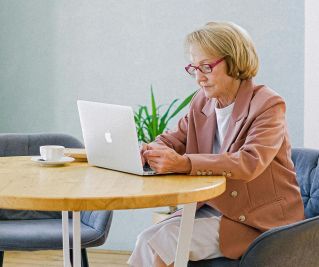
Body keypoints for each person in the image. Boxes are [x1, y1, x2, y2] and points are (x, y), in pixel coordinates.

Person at [127, 21, 304, 267]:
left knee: (166, 240)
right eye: (194, 68)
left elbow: (249, 162)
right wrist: (150, 149)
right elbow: (176, 138)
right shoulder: (202, 102)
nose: (199, 78)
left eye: (206, 67)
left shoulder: (268, 104)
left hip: (257, 219)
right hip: (216, 208)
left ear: (234, 61)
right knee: (147, 239)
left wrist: (185, 163)